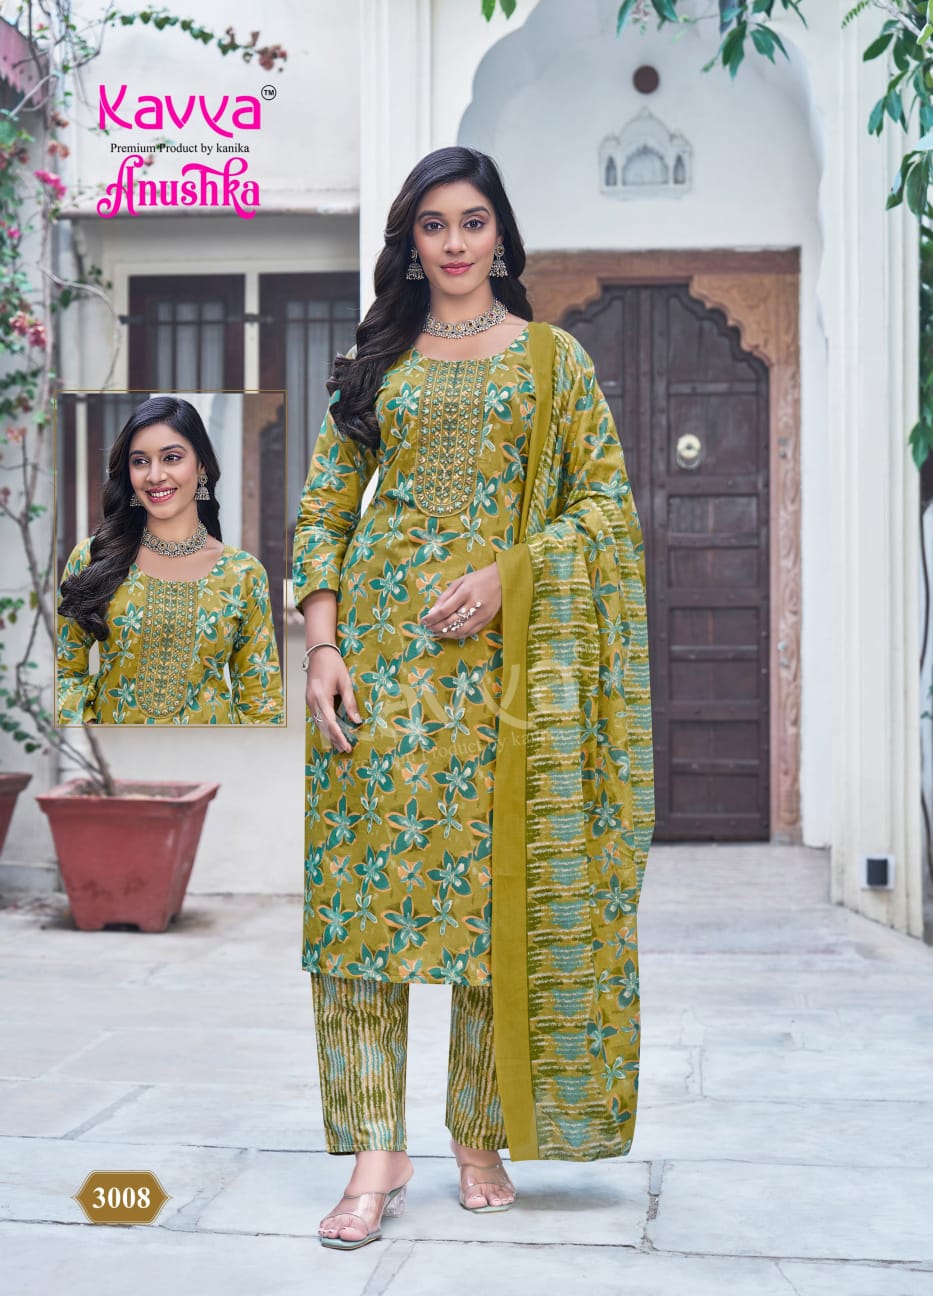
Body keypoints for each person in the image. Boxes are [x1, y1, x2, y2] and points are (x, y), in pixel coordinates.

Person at [293, 146, 654, 1251]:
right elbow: (325, 511)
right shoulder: (374, 361)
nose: (453, 243)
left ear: (501, 235)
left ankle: (478, 1132)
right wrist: (322, 645)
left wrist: (511, 576)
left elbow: (605, 508)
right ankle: (375, 1150)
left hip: (504, 680)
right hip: (378, 669)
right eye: (433, 225)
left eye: (472, 222)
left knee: (491, 905)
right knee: (361, 913)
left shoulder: (552, 362)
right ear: (410, 242)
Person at [57, 395, 284, 725]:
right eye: (140, 461)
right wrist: (92, 734)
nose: (155, 475)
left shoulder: (243, 574)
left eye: (171, 458)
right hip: (116, 755)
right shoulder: (94, 558)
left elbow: (263, 704)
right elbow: (62, 676)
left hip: (211, 755)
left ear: (201, 465)